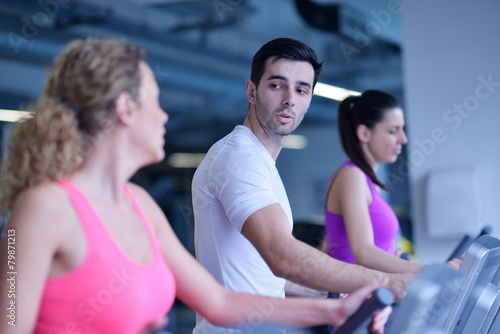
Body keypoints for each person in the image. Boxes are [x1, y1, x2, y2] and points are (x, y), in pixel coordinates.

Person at [0, 37, 391, 334]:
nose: (166, 114)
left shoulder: (138, 204)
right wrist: (388, 281)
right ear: (125, 109)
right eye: (155, 99)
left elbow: (218, 300)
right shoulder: (43, 208)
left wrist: (335, 309)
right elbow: (10, 321)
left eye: (302, 89)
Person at [191, 38, 413, 334]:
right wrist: (387, 282)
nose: (289, 100)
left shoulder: (262, 163)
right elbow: (282, 257)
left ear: (309, 99)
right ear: (251, 91)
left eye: (301, 90)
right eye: (276, 85)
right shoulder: (239, 158)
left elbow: (261, 271)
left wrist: (320, 292)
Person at [322, 90, 461, 274]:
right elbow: (363, 252)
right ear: (364, 133)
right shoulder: (351, 176)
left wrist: (392, 256)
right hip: (355, 296)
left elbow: (330, 245)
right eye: (393, 131)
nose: (403, 139)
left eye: (402, 130)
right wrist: (429, 271)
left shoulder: (366, 181)